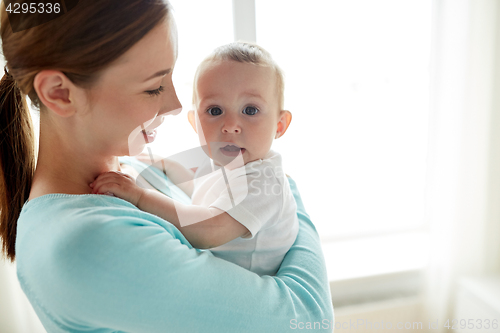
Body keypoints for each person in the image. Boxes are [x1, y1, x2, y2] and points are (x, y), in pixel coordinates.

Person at [0, 1, 334, 332]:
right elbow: (310, 321)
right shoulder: (88, 245)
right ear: (60, 92)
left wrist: (276, 190)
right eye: (153, 87)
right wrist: (286, 191)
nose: (176, 105)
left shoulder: (130, 168)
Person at [90, 42, 299, 276]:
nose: (230, 126)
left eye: (250, 110)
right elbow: (198, 189)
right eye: (215, 111)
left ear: (280, 125)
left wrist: (140, 196)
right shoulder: (228, 160)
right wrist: (161, 165)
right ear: (195, 122)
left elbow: (210, 230)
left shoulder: (264, 182)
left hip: (245, 289)